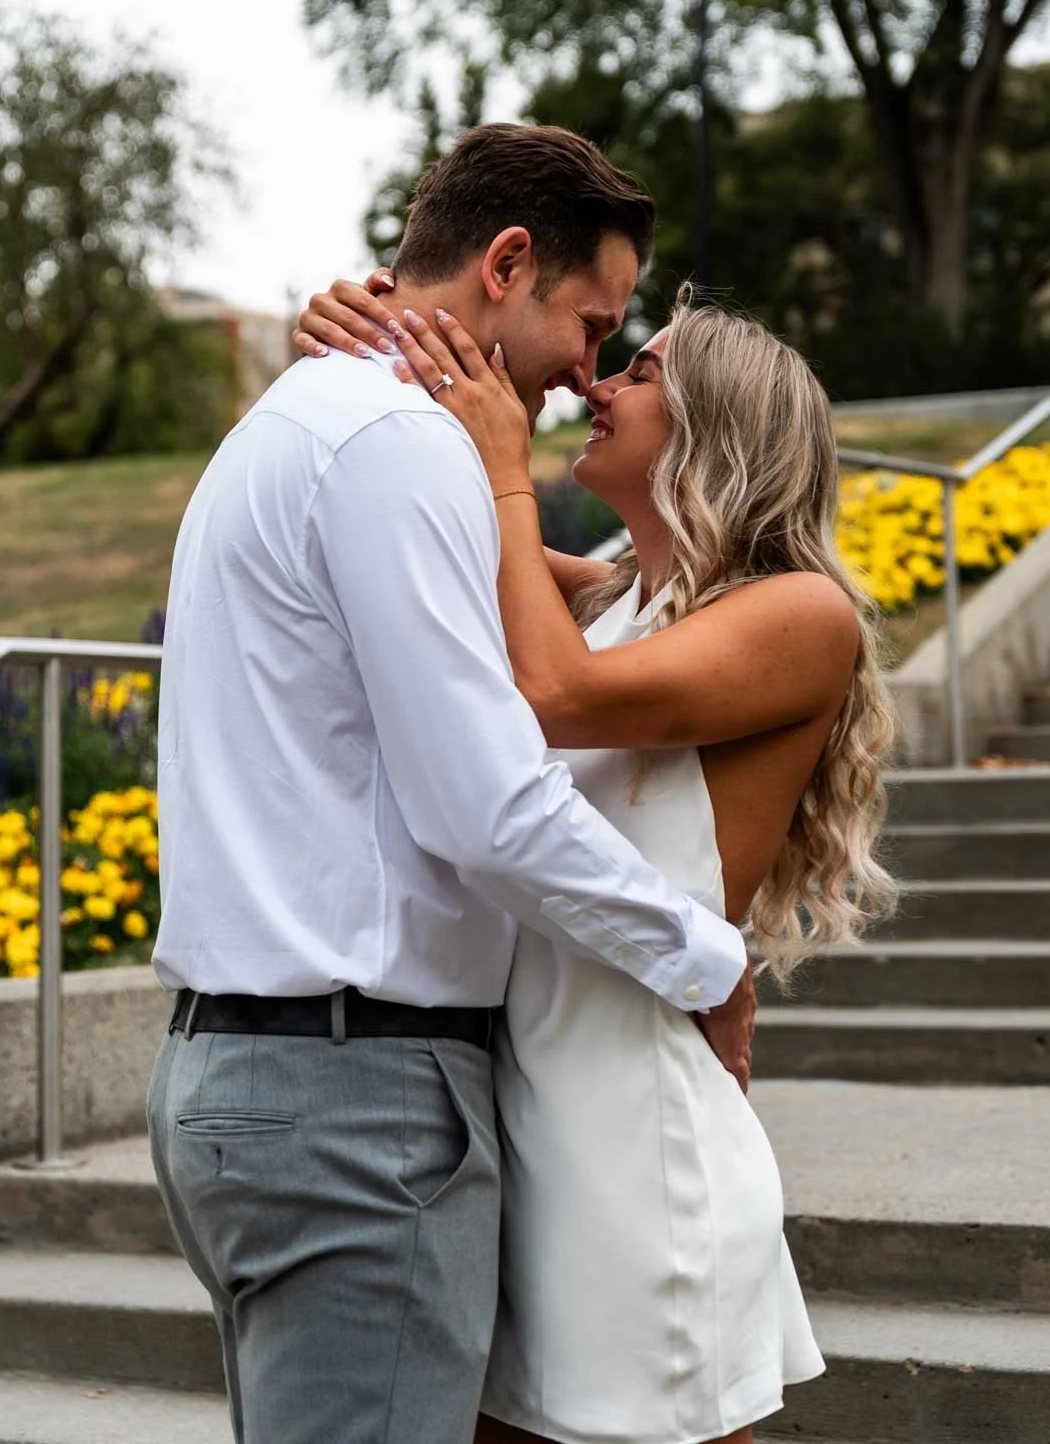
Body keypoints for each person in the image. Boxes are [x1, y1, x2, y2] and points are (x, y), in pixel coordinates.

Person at [146, 124, 757, 1444]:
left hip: (252, 1078)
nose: (581, 373)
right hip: (350, 1104)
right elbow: (485, 804)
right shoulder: (390, 444)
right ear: (506, 263)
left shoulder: (305, 416)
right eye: (588, 325)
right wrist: (706, 960)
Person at [293, 269, 897, 1444]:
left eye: (638, 368)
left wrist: (510, 465)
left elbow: (547, 692)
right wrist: (345, 336)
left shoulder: (797, 614)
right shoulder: (622, 598)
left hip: (637, 1151)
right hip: (521, 1132)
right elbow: (446, 542)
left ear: (721, 424)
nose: (596, 379)